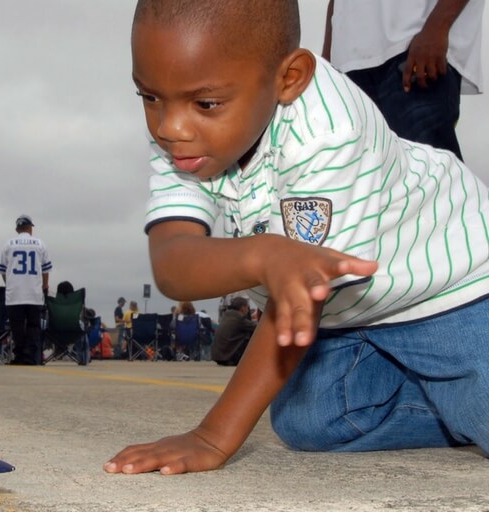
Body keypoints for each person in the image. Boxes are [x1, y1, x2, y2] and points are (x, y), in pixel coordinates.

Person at [105, 0, 489, 476]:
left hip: (452, 287)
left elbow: (304, 292)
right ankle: (452, 397)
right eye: (150, 97)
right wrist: (263, 256)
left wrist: (212, 437)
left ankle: (467, 395)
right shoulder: (179, 128)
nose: (170, 127)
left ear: (289, 78)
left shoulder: (329, 129)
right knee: (309, 421)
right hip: (355, 311)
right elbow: (171, 262)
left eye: (206, 104)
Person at [322, 0, 485, 160]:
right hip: (348, 68)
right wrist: (327, 65)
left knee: (430, 175)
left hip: (413, 50)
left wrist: (437, 28)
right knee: (366, 181)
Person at [0, 214, 52, 365]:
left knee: (17, 326)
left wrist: (10, 284)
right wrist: (44, 286)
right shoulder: (40, 244)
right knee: (34, 325)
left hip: (14, 293)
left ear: (17, 229)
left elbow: (2, 270)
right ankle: (30, 355)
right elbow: (46, 269)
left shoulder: (8, 244)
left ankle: (19, 355)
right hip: (33, 293)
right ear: (29, 228)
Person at [212, 297, 257, 367]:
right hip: (229, 357)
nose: (248, 310)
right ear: (242, 308)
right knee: (251, 335)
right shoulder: (239, 318)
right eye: (247, 307)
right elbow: (256, 327)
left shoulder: (227, 315)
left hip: (220, 357)